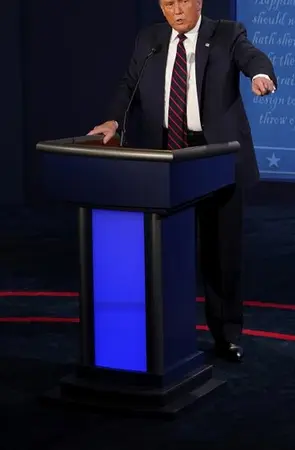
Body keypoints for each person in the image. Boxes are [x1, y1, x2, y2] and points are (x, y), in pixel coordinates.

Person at [88, 0, 278, 362]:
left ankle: (227, 335)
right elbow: (129, 85)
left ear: (199, 2)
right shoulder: (151, 40)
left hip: (215, 158)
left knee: (221, 253)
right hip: (165, 161)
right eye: (167, 3)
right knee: (164, 252)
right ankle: (165, 334)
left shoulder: (226, 33)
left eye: (182, 2)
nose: (175, 11)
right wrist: (113, 121)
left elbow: (252, 58)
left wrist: (260, 75)